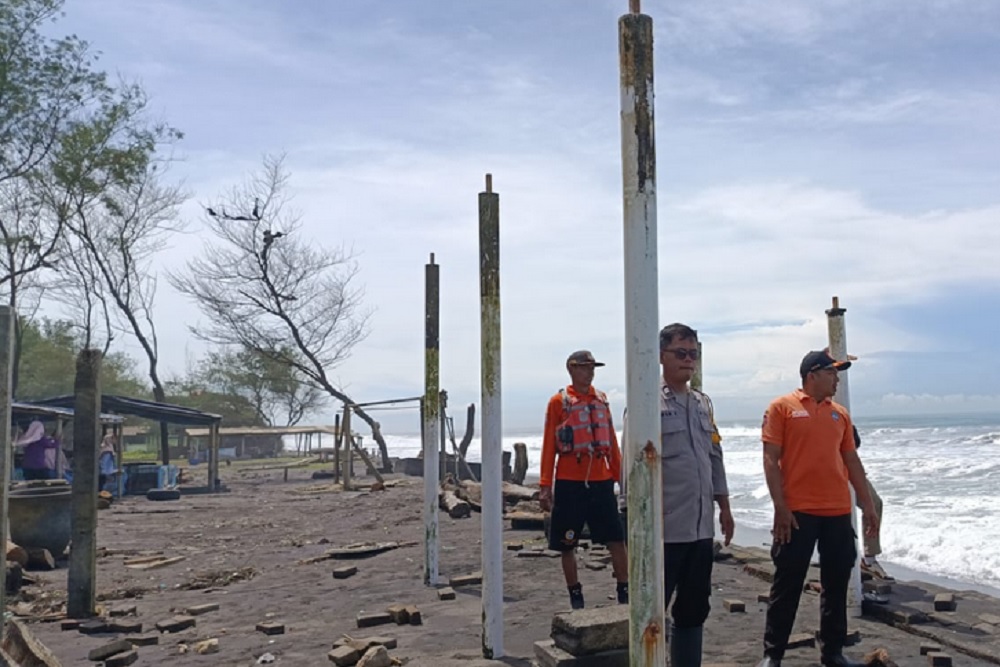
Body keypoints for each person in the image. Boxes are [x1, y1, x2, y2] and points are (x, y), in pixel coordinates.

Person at [756, 350, 879, 667]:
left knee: (836, 585)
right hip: (797, 512)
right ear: (813, 374)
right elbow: (771, 459)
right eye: (832, 373)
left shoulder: (840, 413)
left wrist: (867, 506)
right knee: (787, 583)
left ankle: (833, 652)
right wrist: (780, 507)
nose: (837, 379)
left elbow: (851, 460)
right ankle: (773, 655)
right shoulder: (782, 407)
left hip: (837, 511)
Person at [653, 323, 734, 667]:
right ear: (661, 356)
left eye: (693, 354)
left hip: (701, 529)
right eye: (681, 353)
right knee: (653, 609)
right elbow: (635, 470)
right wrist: (634, 522)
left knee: (694, 608)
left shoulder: (703, 404)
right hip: (665, 530)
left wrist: (725, 507)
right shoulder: (648, 403)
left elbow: (714, 457)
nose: (689, 360)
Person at [539, 350, 628, 610]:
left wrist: (622, 478)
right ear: (571, 368)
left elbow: (611, 442)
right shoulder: (559, 402)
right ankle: (575, 594)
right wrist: (545, 486)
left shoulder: (601, 400)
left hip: (601, 481)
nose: (590, 372)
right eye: (584, 367)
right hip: (569, 482)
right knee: (568, 542)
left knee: (616, 538)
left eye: (592, 367)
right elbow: (548, 445)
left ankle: (624, 590)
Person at [851, 426, 891, 582]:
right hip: (824, 468)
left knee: (874, 503)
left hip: (848, 467)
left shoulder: (839, 413)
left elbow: (854, 445)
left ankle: (869, 559)